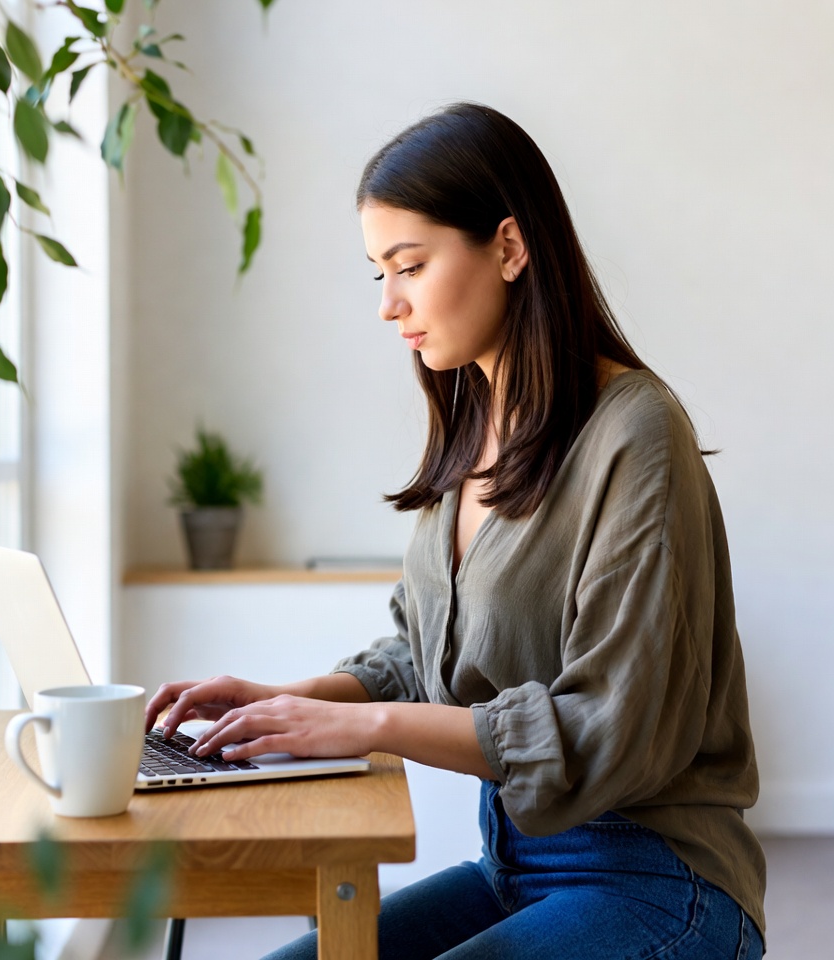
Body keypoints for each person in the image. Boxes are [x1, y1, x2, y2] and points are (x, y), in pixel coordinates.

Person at [145, 102, 766, 960]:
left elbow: (609, 730)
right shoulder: (475, 425)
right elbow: (422, 653)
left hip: (658, 879)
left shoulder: (635, 432)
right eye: (378, 274)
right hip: (512, 864)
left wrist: (367, 730)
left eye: (410, 265)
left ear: (509, 248)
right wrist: (283, 704)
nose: (389, 305)